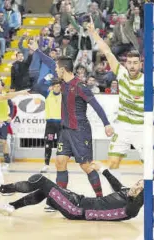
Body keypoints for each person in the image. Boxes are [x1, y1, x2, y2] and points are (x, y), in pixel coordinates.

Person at [29, 40, 114, 200]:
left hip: (80, 131)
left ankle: (101, 199)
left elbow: (96, 106)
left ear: (62, 70)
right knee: (60, 162)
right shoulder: (61, 82)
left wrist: (106, 124)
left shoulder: (81, 87)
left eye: (57, 68)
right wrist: (37, 51)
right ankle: (61, 199)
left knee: (86, 166)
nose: (55, 70)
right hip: (65, 131)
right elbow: (50, 62)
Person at [87, 17, 145, 181]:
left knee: (151, 167)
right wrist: (94, 34)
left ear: (140, 64)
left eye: (135, 63)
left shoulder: (146, 81)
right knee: (112, 162)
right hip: (123, 127)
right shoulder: (121, 72)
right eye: (130, 63)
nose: (132, 65)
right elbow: (107, 51)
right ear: (126, 64)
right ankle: (116, 196)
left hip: (142, 127)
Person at [0, 162, 144, 222]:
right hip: (77, 200)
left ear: (140, 197)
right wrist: (103, 169)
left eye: (139, 188)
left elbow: (133, 208)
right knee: (45, 190)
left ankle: (6, 189)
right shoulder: (126, 192)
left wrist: (141, 195)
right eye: (137, 182)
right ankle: (12, 206)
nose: (135, 186)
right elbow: (116, 184)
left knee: (40, 180)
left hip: (75, 209)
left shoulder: (131, 208)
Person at [39, 79, 62, 173]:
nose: (57, 88)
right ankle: (46, 165)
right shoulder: (47, 93)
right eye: (55, 86)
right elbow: (39, 85)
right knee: (48, 143)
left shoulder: (64, 95)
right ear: (52, 87)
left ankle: (61, 164)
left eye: (59, 86)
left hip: (61, 124)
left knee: (61, 145)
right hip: (50, 125)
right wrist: (46, 78)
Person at [0, 82, 14, 171]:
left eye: (0, 85)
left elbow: (12, 106)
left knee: (4, 141)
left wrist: (10, 116)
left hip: (3, 122)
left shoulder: (5, 96)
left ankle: (6, 162)